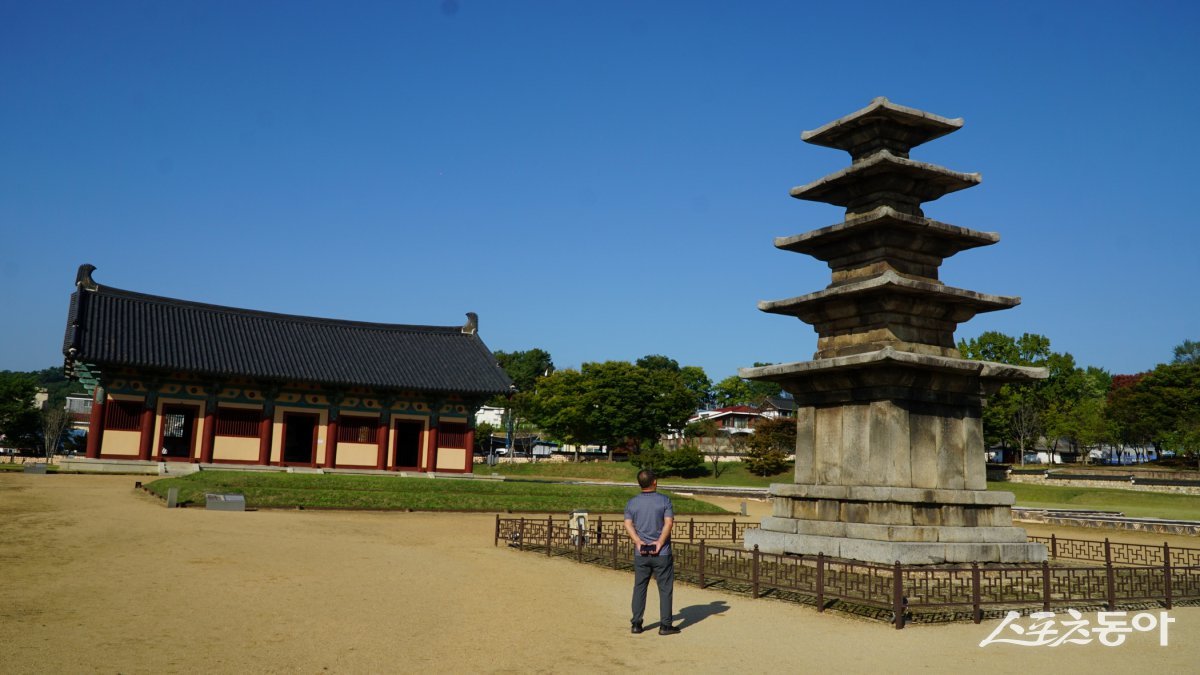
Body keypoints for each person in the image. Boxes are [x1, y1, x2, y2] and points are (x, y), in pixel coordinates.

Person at [623, 468, 679, 635]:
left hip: (641, 552)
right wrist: (659, 542)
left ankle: (636, 623)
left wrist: (638, 541)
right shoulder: (664, 500)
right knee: (665, 589)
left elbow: (628, 524)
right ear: (654, 482)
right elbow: (668, 523)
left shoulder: (632, 502)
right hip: (662, 552)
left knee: (639, 587)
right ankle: (665, 625)